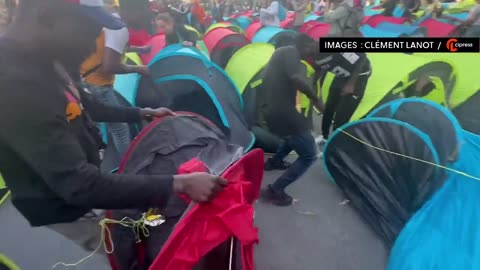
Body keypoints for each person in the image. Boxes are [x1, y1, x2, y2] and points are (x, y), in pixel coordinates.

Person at [0, 0, 227, 255]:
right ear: (46, 15)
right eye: (88, 31)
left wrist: (142, 113)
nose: (92, 44)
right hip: (65, 213)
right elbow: (79, 184)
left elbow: (90, 107)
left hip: (88, 196)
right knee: (129, 253)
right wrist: (180, 184)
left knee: (146, 230)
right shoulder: (14, 83)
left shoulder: (49, 60)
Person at [80, 1, 151, 160]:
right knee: (120, 129)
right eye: (143, 10)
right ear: (132, 10)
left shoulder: (108, 20)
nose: (146, 15)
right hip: (99, 85)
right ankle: (129, 167)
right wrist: (138, 69)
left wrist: (140, 50)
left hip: (84, 80)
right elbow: (109, 65)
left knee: (93, 129)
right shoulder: (119, 28)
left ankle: (95, 163)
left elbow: (108, 48)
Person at [260, 34, 324, 206]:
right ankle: (275, 190)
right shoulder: (290, 52)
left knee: (292, 137)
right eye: (313, 50)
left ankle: (274, 161)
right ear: (307, 46)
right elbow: (296, 79)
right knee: (309, 154)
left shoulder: (283, 53)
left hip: (272, 110)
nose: (312, 56)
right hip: (282, 112)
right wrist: (316, 99)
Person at [314, 48, 372, 143]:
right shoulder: (313, 57)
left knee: (341, 117)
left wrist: (351, 84)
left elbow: (362, 59)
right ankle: (325, 137)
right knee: (329, 108)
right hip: (341, 76)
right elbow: (317, 73)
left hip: (358, 77)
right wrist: (315, 95)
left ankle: (336, 144)